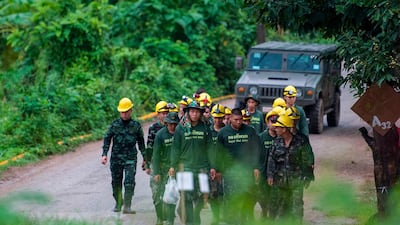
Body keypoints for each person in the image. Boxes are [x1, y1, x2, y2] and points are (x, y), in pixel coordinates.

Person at [168, 101, 213, 225]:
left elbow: (210, 148)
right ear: (188, 112)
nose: (194, 114)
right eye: (192, 111)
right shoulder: (180, 128)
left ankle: (195, 215)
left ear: (200, 113)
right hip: (185, 168)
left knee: (201, 196)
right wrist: (172, 165)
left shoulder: (205, 127)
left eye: (197, 112)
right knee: (187, 197)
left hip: (202, 168)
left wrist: (213, 166)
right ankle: (190, 222)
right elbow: (175, 148)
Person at [214, 108, 261, 225]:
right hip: (229, 172)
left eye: (241, 120)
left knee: (246, 199)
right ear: (230, 119)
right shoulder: (223, 133)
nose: (239, 122)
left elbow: (256, 150)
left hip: (246, 171)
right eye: (236, 120)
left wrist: (256, 167)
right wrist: (218, 170)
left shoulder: (250, 131)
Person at [101, 97, 146, 214]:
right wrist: (104, 154)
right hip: (116, 158)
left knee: (129, 182)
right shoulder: (114, 125)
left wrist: (145, 158)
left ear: (131, 110)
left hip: (130, 158)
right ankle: (118, 202)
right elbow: (107, 139)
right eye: (122, 112)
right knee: (116, 182)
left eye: (126, 111)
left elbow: (141, 143)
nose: (124, 114)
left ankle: (127, 205)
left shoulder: (136, 126)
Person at [267, 114, 314, 223]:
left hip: (296, 182)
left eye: (278, 127)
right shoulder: (276, 143)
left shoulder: (300, 142)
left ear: (284, 129)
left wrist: (308, 177)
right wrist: (270, 175)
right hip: (280, 182)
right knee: (280, 209)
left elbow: (307, 161)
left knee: (296, 209)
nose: (275, 128)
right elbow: (271, 159)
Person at [152, 112, 180, 225]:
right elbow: (156, 155)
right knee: (158, 195)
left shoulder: (180, 134)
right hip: (163, 169)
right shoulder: (160, 135)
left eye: (174, 124)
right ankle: (160, 218)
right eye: (170, 124)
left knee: (172, 195)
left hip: (176, 169)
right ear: (166, 123)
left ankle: (170, 220)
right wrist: (156, 172)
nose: (172, 126)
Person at [258, 106, 285, 219]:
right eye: (271, 121)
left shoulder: (282, 138)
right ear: (267, 122)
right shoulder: (261, 137)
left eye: (276, 121)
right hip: (263, 173)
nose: (273, 124)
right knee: (264, 199)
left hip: (278, 174)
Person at [147, 100, 170, 224]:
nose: (165, 115)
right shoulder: (153, 128)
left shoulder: (172, 127)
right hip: (156, 165)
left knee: (168, 193)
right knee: (156, 193)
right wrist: (147, 164)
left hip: (168, 166)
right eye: (162, 113)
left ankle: (165, 216)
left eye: (166, 113)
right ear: (158, 114)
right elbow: (149, 146)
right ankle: (160, 217)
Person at [209, 104, 226, 225]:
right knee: (213, 194)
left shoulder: (228, 131)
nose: (218, 120)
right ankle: (216, 216)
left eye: (220, 117)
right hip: (211, 168)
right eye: (216, 117)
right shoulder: (208, 131)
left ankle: (224, 216)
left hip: (225, 168)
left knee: (224, 193)